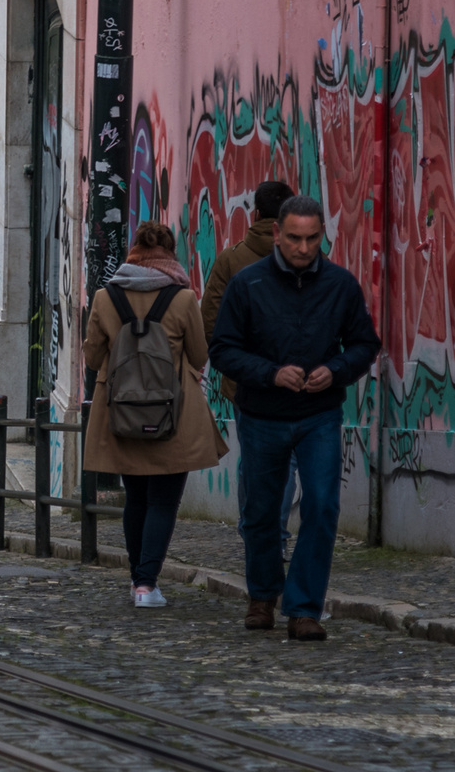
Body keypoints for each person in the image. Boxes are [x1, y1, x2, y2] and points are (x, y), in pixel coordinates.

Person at [209, 195, 380, 641]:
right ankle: (263, 594)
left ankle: (304, 608)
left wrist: (336, 370)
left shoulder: (341, 285)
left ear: (322, 234)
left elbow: (364, 344)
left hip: (319, 414)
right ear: (278, 235)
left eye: (312, 238)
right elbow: (223, 349)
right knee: (262, 511)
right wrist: (270, 374)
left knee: (322, 506)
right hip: (262, 414)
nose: (304, 248)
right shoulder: (248, 284)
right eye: (295, 239)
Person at [83, 221, 228, 609]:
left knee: (136, 499)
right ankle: (148, 584)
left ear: (133, 252)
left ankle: (138, 582)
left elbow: (93, 358)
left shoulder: (105, 297)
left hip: (121, 416)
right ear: (169, 255)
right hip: (173, 416)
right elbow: (199, 356)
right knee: (164, 502)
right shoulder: (182, 299)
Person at [201, 180, 301, 562]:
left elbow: (209, 321)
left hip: (246, 381)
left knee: (255, 457)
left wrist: (237, 363)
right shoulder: (307, 257)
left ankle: (254, 532)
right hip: (295, 379)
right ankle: (272, 536)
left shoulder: (231, 260)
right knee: (287, 459)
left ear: (256, 214)